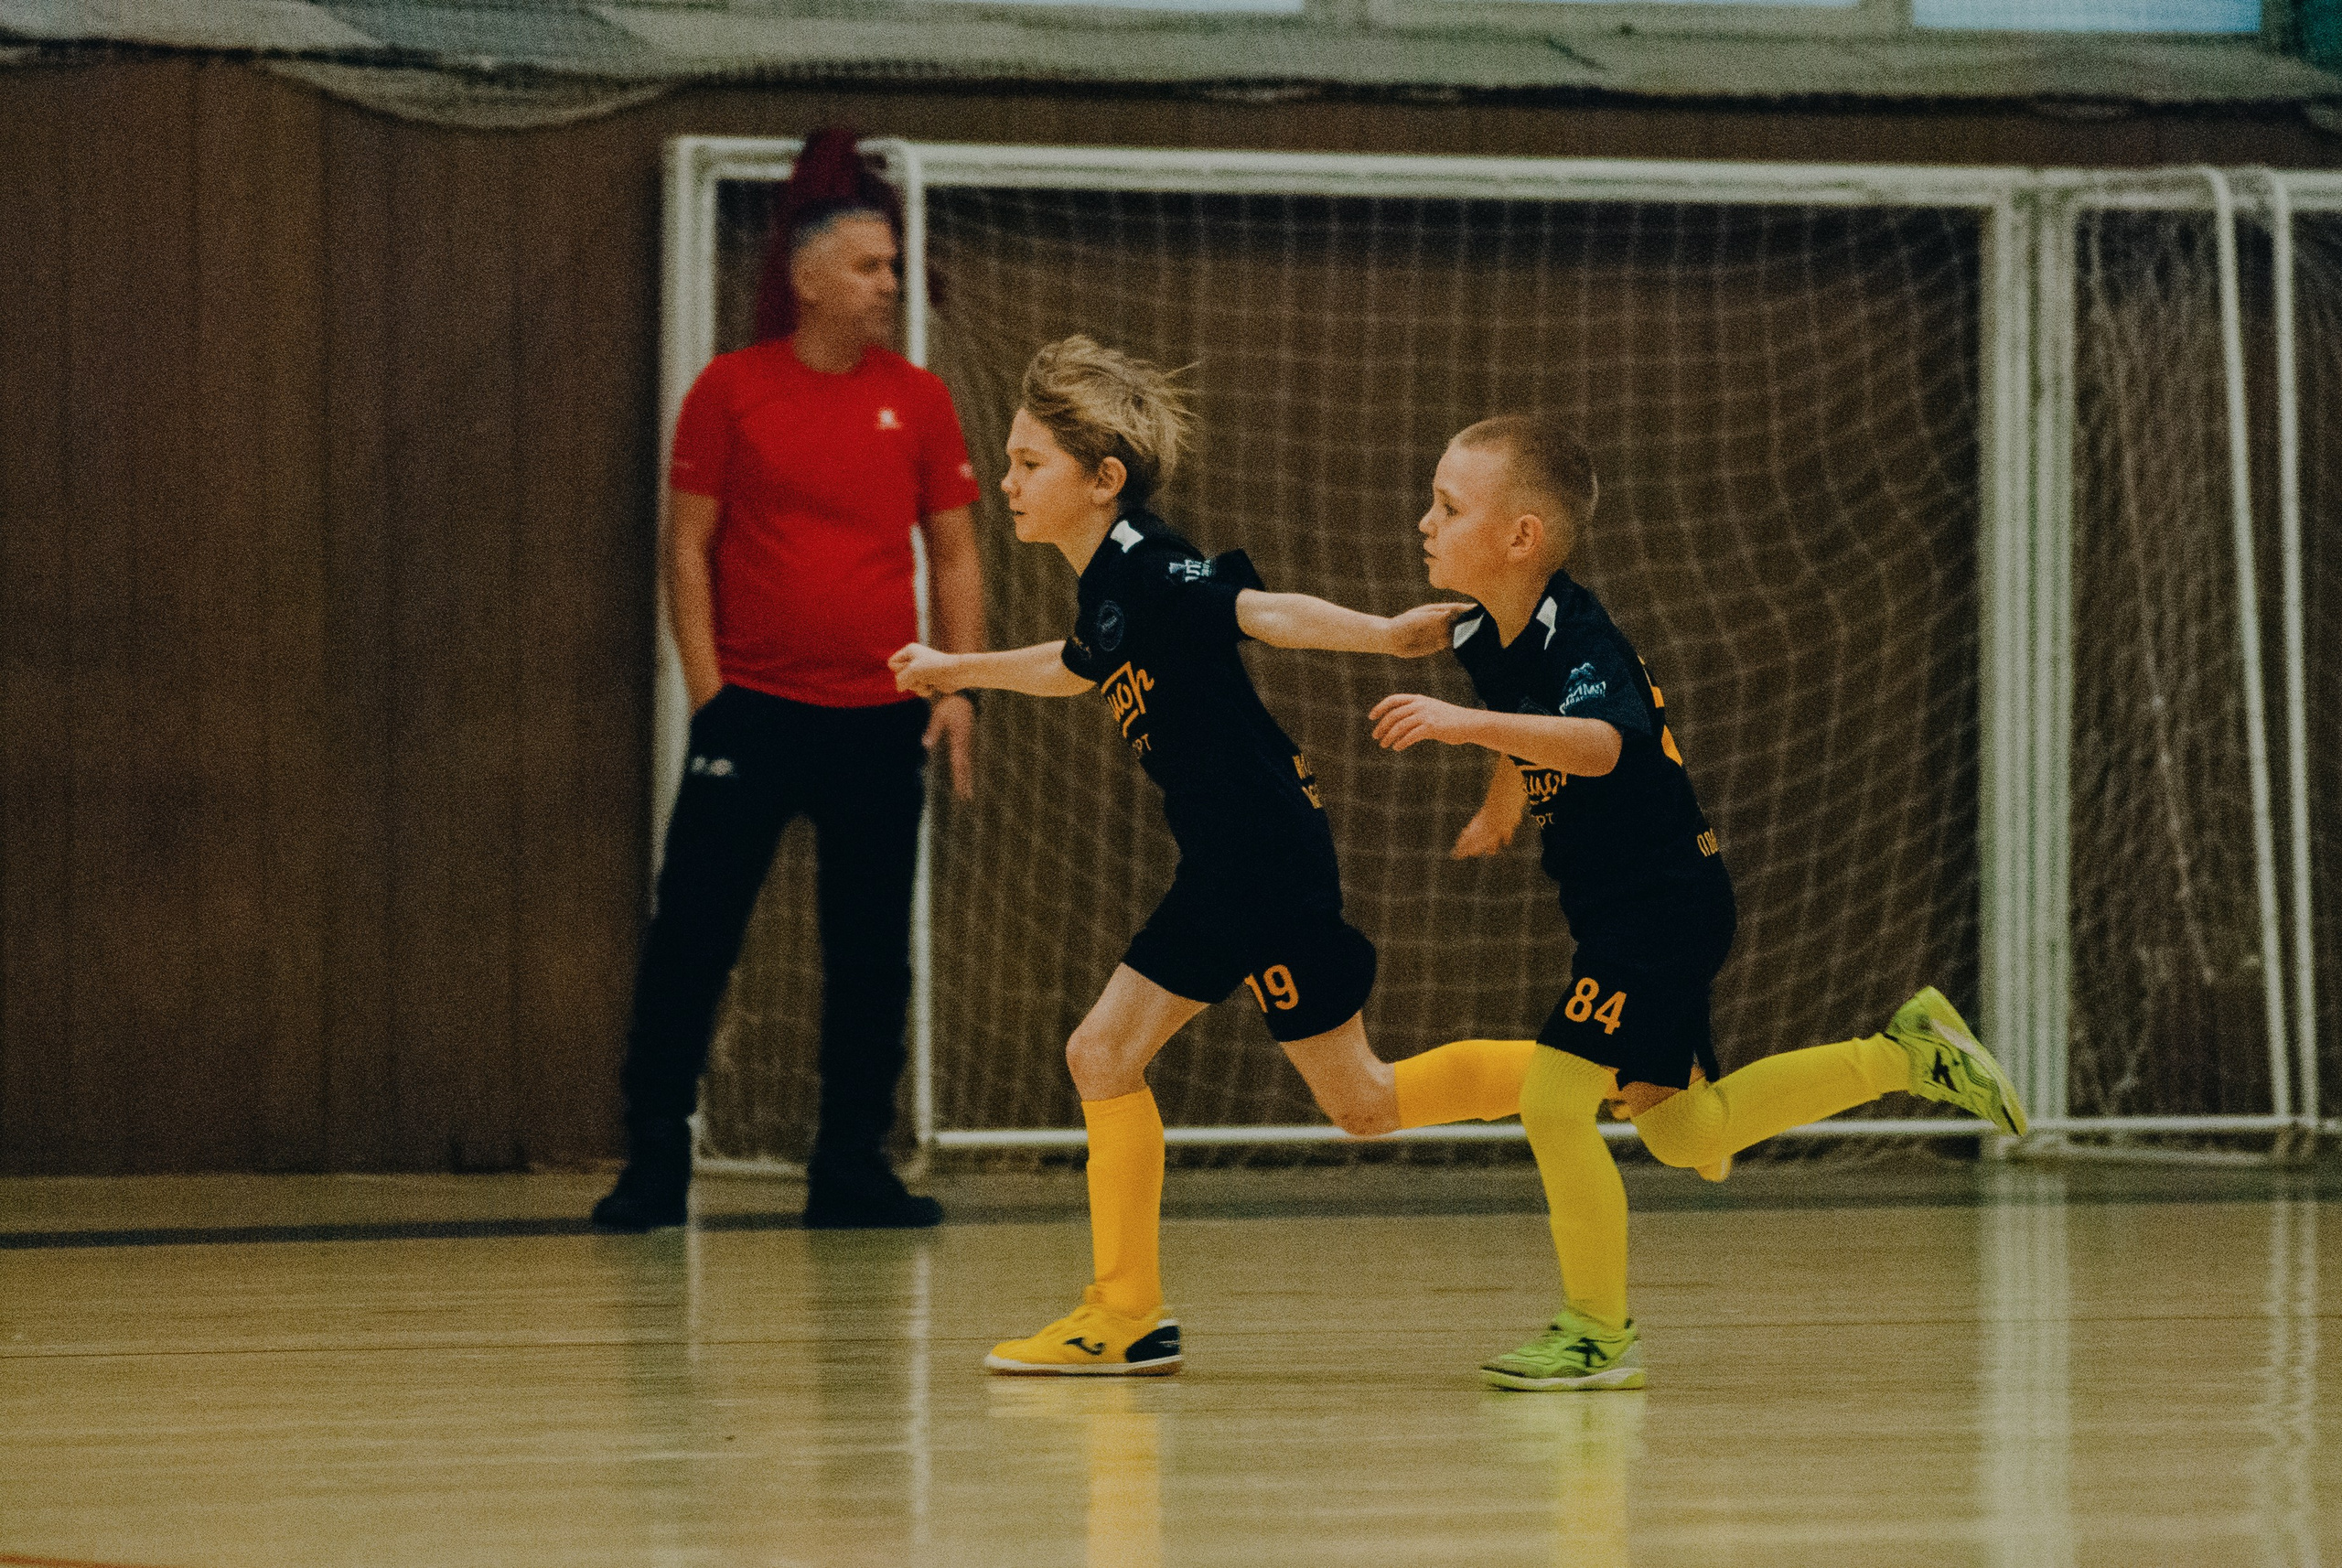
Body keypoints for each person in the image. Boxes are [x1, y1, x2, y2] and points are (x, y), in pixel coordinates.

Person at [888, 337, 1541, 1375]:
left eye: (1027, 464)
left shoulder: (1152, 562)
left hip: (1256, 854)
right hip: (1243, 856)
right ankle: (1606, 1072)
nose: (1004, 483)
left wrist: (1385, 636)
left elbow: (1260, 612)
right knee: (1357, 1102)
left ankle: (1123, 1311)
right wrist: (955, 668)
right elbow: (1078, 665)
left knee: (1107, 1055)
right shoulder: (1110, 586)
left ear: (1102, 480)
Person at [1369, 413, 2030, 1390]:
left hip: (1661, 905)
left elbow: (1600, 742)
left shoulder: (1579, 633)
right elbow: (1533, 736)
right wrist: (1501, 805)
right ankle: (1906, 1052)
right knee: (1687, 1132)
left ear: (1523, 538)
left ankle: (1596, 1330)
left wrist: (1464, 728)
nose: (1424, 521)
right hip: (1627, 907)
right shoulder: (1486, 634)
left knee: (1555, 1101)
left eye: (1448, 505)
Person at [591, 141, 984, 1232]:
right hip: (753, 715)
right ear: (808, 279)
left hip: (878, 720)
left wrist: (955, 687)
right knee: (694, 937)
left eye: (893, 267)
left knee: (870, 955)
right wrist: (713, 695)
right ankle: (655, 1162)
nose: (889, 285)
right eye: (869, 266)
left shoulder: (921, 402)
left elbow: (953, 555)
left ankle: (849, 1166)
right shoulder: (730, 392)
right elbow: (686, 550)